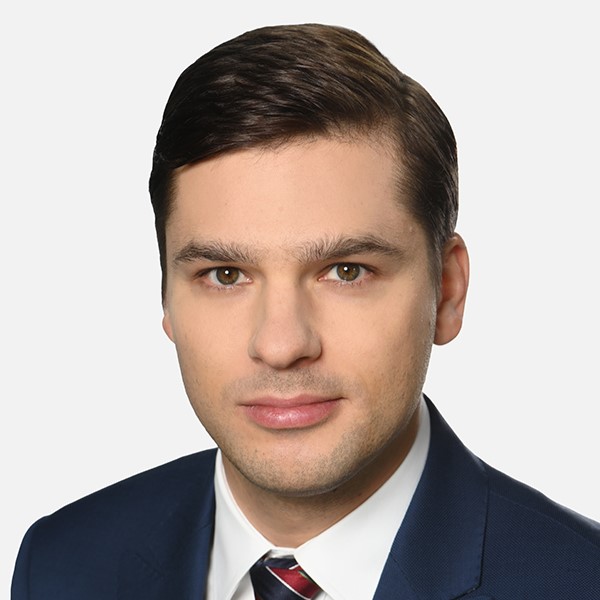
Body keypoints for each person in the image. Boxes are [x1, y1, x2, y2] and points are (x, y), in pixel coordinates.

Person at [12, 23, 600, 600]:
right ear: (166, 295)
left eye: (346, 271)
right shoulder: (61, 564)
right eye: (225, 275)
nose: (281, 344)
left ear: (446, 291)